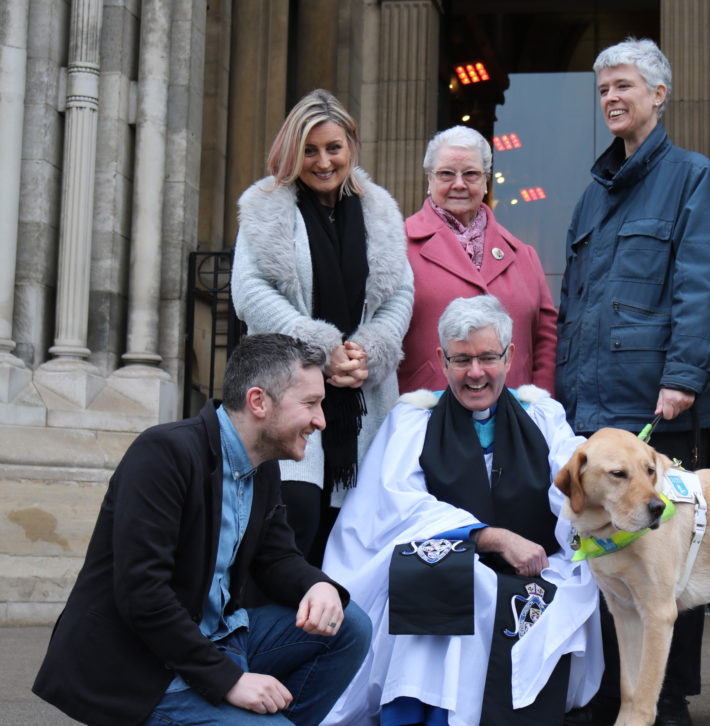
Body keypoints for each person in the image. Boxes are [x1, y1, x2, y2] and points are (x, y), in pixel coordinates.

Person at [33, 334, 372, 726]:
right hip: (146, 667)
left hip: (220, 641)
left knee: (349, 625)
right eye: (310, 404)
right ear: (258, 401)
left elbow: (276, 557)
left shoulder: (262, 465)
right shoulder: (164, 453)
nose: (321, 421)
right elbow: (143, 594)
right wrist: (229, 681)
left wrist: (318, 586)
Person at [556, 38, 710, 726]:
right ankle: (617, 693)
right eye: (603, 89)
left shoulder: (691, 177)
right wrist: (563, 392)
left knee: (668, 556)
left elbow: (701, 282)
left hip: (658, 399)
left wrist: (683, 376)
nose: (611, 98)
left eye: (624, 85)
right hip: (594, 404)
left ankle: (671, 699)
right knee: (606, 555)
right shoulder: (591, 196)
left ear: (659, 95)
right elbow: (574, 303)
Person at [320, 295, 603, 726]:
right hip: (451, 570)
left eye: (488, 357)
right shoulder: (413, 420)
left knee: (568, 585)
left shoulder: (543, 417)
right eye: (461, 359)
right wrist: (490, 537)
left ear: (509, 356)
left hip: (534, 570)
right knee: (438, 580)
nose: (475, 373)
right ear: (441, 359)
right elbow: (397, 506)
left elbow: (572, 488)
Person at [231, 89, 413, 564]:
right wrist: (319, 347)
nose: (324, 161)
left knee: (357, 527)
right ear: (293, 151)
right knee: (296, 515)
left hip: (363, 393)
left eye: (334, 147)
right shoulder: (265, 205)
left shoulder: (380, 210)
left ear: (351, 146)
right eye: (310, 150)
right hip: (289, 386)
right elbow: (249, 292)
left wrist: (366, 351)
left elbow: (400, 293)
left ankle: (339, 613)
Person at [398, 125, 557, 394]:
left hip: (514, 412)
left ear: (485, 181)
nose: (459, 184)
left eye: (471, 174)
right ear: (429, 180)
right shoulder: (398, 247)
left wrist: (539, 405)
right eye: (446, 174)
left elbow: (545, 341)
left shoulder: (524, 256)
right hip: (429, 410)